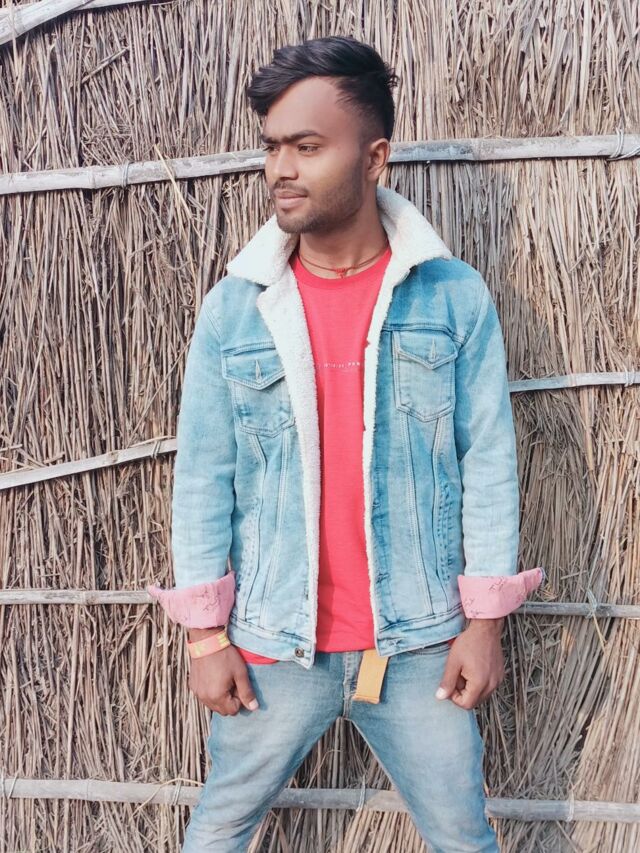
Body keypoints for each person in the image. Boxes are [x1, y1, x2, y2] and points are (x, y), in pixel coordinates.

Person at [148, 35, 544, 852]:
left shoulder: (452, 298)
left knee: (465, 835)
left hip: (420, 643)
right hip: (273, 644)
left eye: (306, 146)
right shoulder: (236, 309)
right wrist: (205, 636)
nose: (280, 169)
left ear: (374, 158)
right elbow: (204, 477)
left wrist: (484, 624)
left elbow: (487, 460)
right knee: (218, 828)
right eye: (272, 147)